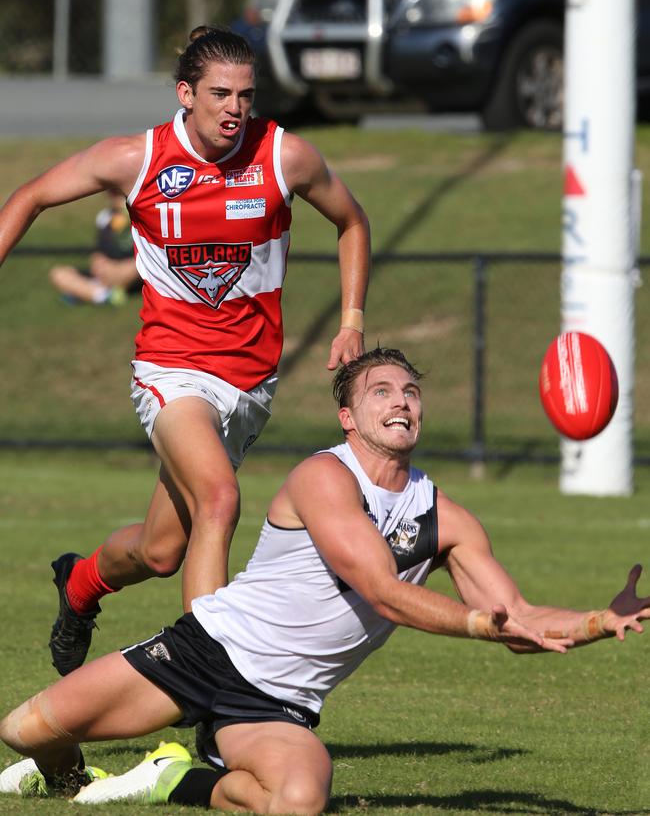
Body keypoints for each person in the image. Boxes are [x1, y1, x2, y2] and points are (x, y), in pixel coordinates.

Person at [0, 347, 648, 813]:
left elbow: (517, 619)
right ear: (348, 416)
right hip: (205, 650)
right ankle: (65, 783)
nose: (401, 399)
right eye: (381, 390)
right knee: (25, 729)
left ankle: (176, 780)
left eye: (410, 392)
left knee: (299, 799)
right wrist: (478, 621)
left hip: (277, 705)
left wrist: (599, 620)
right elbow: (381, 587)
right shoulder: (324, 476)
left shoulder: (446, 519)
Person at [0, 26, 371, 676]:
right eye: (220, 94)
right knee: (220, 500)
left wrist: (352, 318)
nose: (235, 108)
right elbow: (30, 195)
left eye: (246, 95)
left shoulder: (284, 156)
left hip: (249, 384)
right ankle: (211, 692)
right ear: (185, 94)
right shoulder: (137, 159)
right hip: (171, 371)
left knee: (162, 548)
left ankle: (80, 584)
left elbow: (352, 221)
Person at [48, 188, 141, 306]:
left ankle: (89, 292)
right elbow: (99, 249)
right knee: (59, 274)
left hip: (130, 267)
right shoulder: (105, 217)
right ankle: (103, 295)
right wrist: (99, 263)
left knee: (137, 266)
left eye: (118, 193)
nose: (115, 196)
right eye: (112, 192)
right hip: (106, 269)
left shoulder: (140, 214)